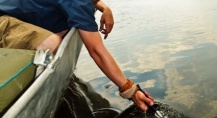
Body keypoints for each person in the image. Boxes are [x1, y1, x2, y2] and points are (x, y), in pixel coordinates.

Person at [0, 0, 154, 111]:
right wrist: (131, 90)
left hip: (13, 17)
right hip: (3, 20)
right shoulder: (78, 2)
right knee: (52, 43)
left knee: (64, 30)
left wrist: (105, 8)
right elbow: (96, 51)